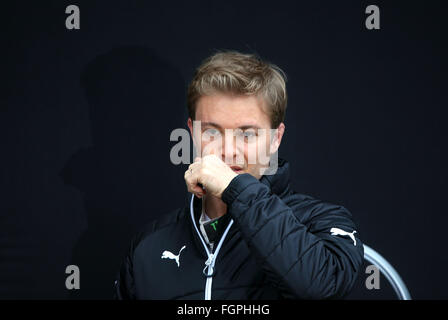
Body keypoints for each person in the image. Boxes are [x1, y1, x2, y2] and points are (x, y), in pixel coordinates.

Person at [114, 51, 364, 299]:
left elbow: (320, 287)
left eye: (247, 134)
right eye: (212, 132)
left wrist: (235, 189)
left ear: (276, 138)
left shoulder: (322, 222)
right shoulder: (148, 245)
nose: (228, 151)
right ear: (192, 132)